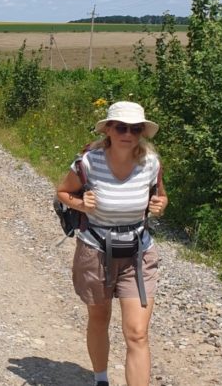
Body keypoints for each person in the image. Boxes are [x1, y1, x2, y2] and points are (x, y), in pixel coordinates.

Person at [55, 101, 168, 386]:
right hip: (95, 250)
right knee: (99, 317)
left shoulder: (151, 164)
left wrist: (160, 204)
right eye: (121, 127)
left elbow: (161, 197)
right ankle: (100, 379)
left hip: (138, 253)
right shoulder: (88, 163)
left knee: (137, 333)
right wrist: (81, 203)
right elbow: (62, 193)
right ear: (108, 130)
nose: (127, 133)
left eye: (135, 128)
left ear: (142, 132)